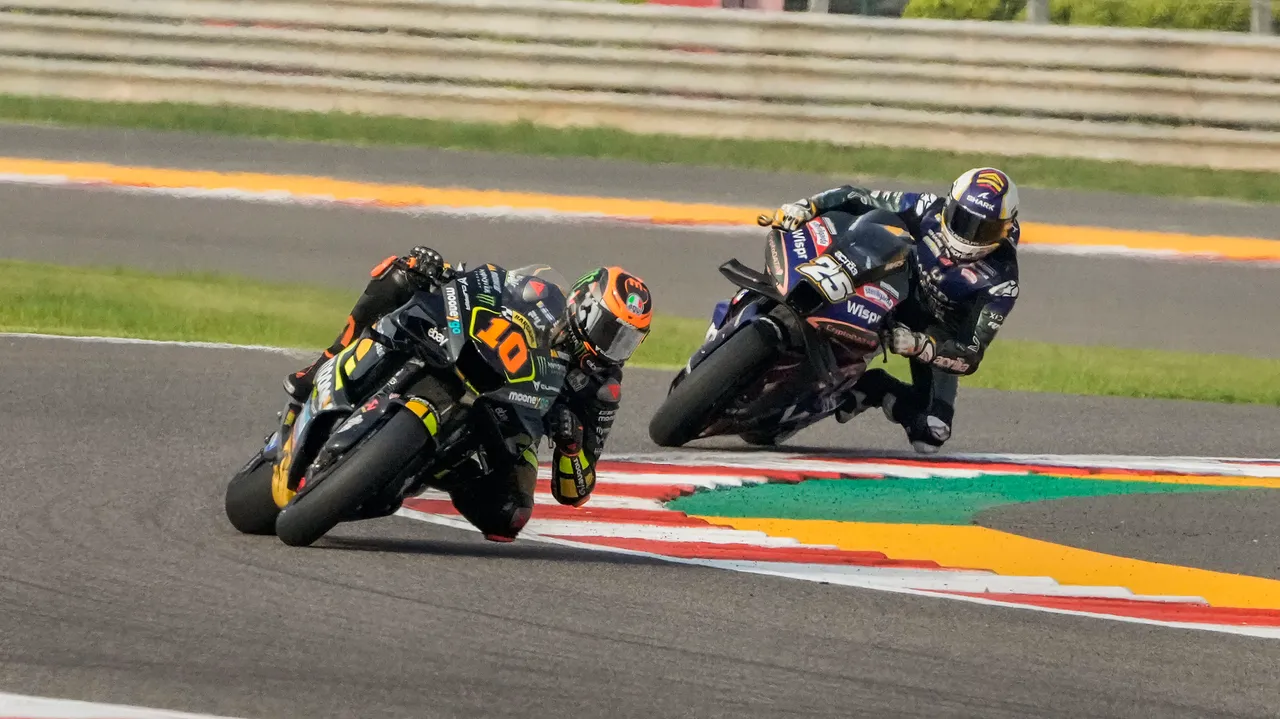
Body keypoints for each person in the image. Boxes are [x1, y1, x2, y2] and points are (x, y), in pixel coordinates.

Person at [283, 247, 652, 541]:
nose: (613, 348)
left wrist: (572, 447)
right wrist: (441, 271)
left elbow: (577, 492)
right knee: (401, 273)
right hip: (464, 357)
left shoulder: (601, 388)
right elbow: (489, 283)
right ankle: (319, 366)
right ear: (584, 305)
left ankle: (425, 467)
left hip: (509, 430)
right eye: (609, 330)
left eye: (627, 341)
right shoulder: (542, 293)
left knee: (510, 517)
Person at [762, 167, 1021, 454]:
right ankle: (778, 294)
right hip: (885, 280)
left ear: (1007, 228)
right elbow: (858, 196)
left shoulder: (1001, 282)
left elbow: (970, 354)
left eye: (986, 229)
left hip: (929, 331)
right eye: (964, 220)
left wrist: (921, 346)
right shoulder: (926, 208)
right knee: (865, 228)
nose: (971, 236)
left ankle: (871, 388)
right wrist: (808, 206)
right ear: (949, 206)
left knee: (931, 433)